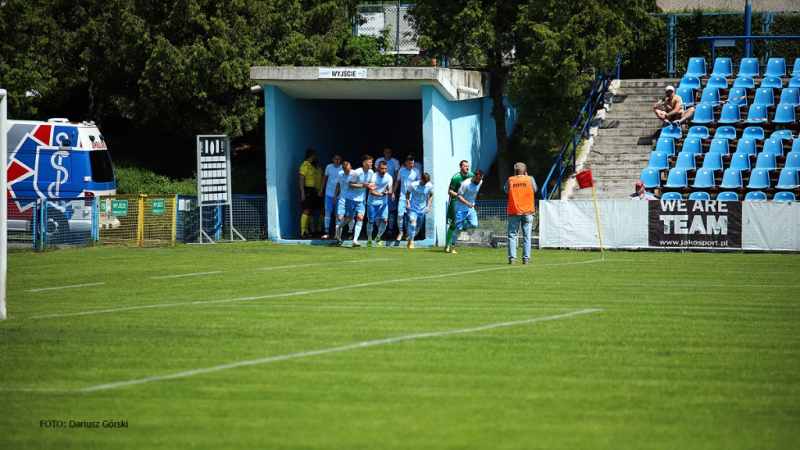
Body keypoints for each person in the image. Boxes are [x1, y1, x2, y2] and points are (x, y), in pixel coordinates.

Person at [504, 163, 538, 265]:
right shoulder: (530, 179)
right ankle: (526, 259)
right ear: (525, 172)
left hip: (514, 210)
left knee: (512, 236)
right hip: (528, 211)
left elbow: (506, 190)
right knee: (527, 236)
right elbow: (535, 189)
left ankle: (512, 259)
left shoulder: (511, 180)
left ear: (515, 172)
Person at [447, 169, 484, 254]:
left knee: (474, 225)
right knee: (458, 228)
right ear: (474, 176)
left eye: (480, 179)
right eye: (477, 179)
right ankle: (452, 246)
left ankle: (464, 227)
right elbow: (459, 196)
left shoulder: (480, 182)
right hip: (460, 208)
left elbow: (475, 191)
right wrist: (467, 203)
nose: (479, 181)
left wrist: (474, 198)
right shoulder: (465, 184)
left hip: (470, 207)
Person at [344, 155, 375, 248]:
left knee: (360, 217)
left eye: (371, 162)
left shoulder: (371, 172)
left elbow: (369, 183)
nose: (371, 164)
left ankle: (355, 240)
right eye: (369, 162)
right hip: (350, 198)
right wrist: (363, 185)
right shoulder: (356, 172)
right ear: (364, 163)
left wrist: (371, 186)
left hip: (361, 199)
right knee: (348, 219)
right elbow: (350, 184)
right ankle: (339, 228)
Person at [445, 160, 473, 252]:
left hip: (466, 203)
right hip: (455, 203)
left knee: (466, 224)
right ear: (460, 167)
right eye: (465, 166)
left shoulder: (471, 176)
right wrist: (458, 195)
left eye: (468, 166)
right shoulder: (456, 178)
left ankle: (452, 243)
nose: (467, 167)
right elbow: (450, 191)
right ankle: (448, 245)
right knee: (453, 225)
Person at [394, 155, 421, 242]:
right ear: (406, 163)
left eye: (413, 163)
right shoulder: (401, 171)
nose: (412, 165)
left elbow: (420, 184)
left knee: (410, 217)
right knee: (400, 215)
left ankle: (408, 233)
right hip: (402, 197)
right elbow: (398, 182)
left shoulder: (416, 171)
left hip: (413, 199)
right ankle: (400, 232)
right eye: (410, 163)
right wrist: (393, 192)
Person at [366, 161, 393, 246]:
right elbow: (372, 192)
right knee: (371, 221)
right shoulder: (373, 177)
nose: (384, 170)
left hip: (383, 203)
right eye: (382, 168)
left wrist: (388, 192)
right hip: (372, 203)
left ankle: (378, 237)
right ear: (378, 168)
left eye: (385, 169)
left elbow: (390, 189)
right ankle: (369, 238)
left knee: (385, 220)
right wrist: (382, 194)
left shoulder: (389, 177)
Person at [375, 147, 400, 239]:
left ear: (391, 152)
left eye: (389, 152)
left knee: (391, 211)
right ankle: (379, 230)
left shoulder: (395, 162)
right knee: (378, 210)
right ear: (383, 152)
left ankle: (390, 231)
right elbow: (375, 174)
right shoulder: (378, 161)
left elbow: (397, 177)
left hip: (391, 189)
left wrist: (392, 190)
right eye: (386, 152)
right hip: (379, 190)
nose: (387, 154)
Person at [405, 173, 434, 249]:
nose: (425, 183)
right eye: (424, 182)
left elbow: (431, 195)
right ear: (421, 179)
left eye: (426, 182)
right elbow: (407, 193)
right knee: (413, 224)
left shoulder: (429, 186)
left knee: (418, 227)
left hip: (422, 209)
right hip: (413, 208)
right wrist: (408, 203)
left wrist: (428, 206)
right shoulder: (413, 185)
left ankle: (410, 238)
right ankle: (411, 243)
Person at [298, 148, 322, 239]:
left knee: (311, 210)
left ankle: (310, 231)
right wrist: (303, 192)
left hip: (312, 190)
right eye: (314, 155)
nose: (315, 157)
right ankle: (303, 231)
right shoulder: (305, 165)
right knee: (306, 210)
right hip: (307, 189)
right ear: (311, 156)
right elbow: (301, 179)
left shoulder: (312, 166)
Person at [320, 153, 342, 239]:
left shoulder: (342, 169)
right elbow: (325, 177)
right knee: (327, 213)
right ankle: (326, 232)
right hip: (329, 194)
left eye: (338, 159)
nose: (337, 161)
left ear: (341, 159)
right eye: (335, 159)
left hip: (339, 195)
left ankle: (337, 233)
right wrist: (321, 189)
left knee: (338, 214)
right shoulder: (329, 167)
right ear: (333, 159)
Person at [330, 161, 352, 247]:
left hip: (351, 199)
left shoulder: (354, 174)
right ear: (343, 169)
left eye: (349, 169)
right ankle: (338, 238)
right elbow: (338, 184)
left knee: (350, 218)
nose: (348, 171)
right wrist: (335, 195)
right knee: (339, 218)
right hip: (342, 199)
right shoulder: (340, 173)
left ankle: (350, 231)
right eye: (346, 170)